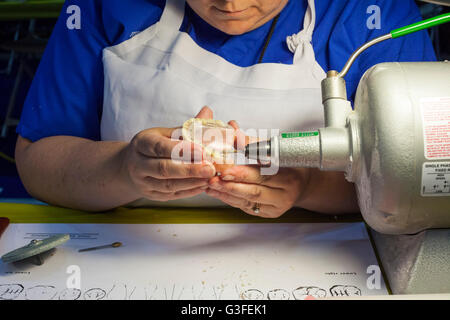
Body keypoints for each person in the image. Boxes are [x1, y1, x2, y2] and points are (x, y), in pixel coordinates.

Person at [15, 0, 436, 217]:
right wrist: (124, 167)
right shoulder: (104, 7)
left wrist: (307, 187)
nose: (231, 4)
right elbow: (38, 160)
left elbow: (425, 184)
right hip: (124, 252)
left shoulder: (376, 19)